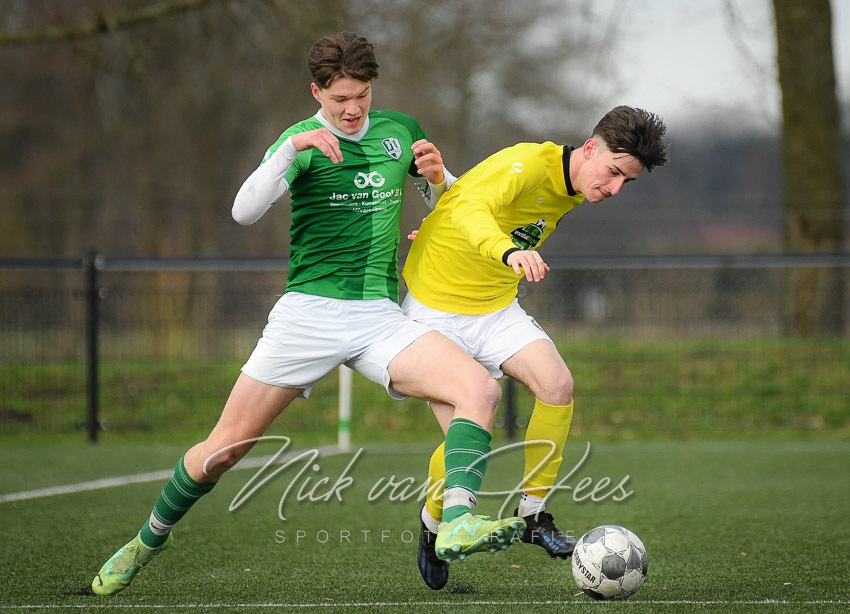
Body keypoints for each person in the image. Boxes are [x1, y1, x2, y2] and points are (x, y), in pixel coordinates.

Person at [91, 31, 526, 597]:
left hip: (378, 317)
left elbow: (453, 212)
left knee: (479, 390)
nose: (352, 109)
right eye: (340, 98)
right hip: (307, 315)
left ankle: (457, 523)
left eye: (362, 95)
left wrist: (441, 179)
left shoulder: (400, 131)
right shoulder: (300, 141)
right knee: (224, 450)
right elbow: (244, 212)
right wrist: (290, 149)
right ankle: (148, 538)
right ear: (316, 92)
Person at [403, 105, 669, 590]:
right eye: (613, 172)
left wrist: (444, 218)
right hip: (435, 309)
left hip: (494, 306)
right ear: (590, 148)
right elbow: (470, 206)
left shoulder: (575, 189)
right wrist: (507, 250)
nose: (614, 189)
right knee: (468, 432)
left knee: (557, 384)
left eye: (626, 182)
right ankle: (433, 523)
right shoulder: (528, 162)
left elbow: (465, 196)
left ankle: (533, 514)